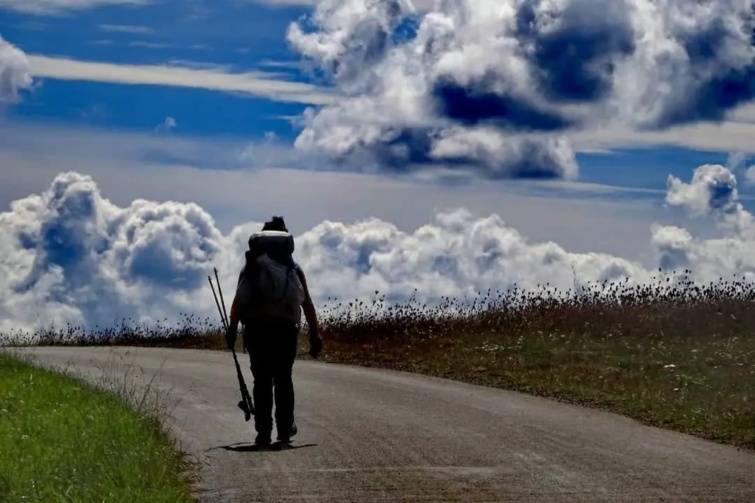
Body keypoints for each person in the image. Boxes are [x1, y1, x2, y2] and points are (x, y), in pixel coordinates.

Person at [225, 216, 323, 446]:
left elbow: (238, 301)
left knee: (261, 380)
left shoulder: (251, 267)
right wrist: (315, 334)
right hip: (285, 330)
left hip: (256, 331)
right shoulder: (292, 269)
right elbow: (306, 302)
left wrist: (231, 329)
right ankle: (284, 430)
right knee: (283, 379)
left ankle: (263, 432)